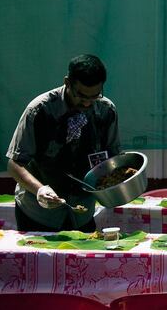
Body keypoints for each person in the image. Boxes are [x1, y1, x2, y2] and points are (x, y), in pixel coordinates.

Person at [6, 54, 120, 231]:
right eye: (81, 97)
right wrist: (40, 190)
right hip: (39, 213)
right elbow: (14, 164)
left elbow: (113, 157)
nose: (88, 103)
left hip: (83, 213)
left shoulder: (106, 111)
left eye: (95, 96)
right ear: (67, 82)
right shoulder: (39, 110)